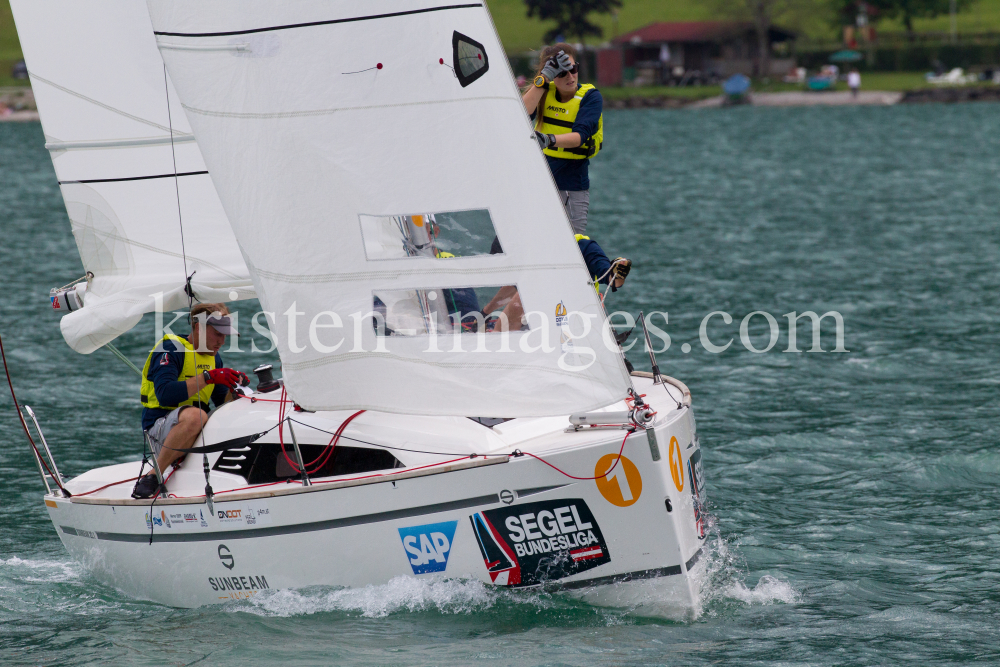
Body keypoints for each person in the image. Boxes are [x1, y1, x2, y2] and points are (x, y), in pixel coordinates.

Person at [132, 303, 247, 499]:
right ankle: (153, 475)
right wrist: (209, 377)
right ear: (198, 328)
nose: (222, 340)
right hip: (159, 430)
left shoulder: (215, 359)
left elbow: (221, 404)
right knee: (197, 415)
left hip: (195, 427)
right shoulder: (170, 348)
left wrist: (234, 391)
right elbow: (165, 394)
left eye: (225, 335)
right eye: (217, 333)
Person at [521, 43, 604, 235]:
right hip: (541, 179)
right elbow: (520, 115)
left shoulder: (591, 97)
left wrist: (548, 140)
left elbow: (580, 137)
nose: (570, 76)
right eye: (561, 73)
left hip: (572, 183)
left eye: (573, 69)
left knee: (573, 242)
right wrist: (542, 80)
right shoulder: (543, 91)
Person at [482, 236, 630, 331]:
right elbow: (513, 287)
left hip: (578, 320)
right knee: (519, 302)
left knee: (519, 302)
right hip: (547, 319)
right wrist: (485, 313)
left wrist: (618, 271)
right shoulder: (532, 253)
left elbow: (612, 280)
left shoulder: (583, 247)